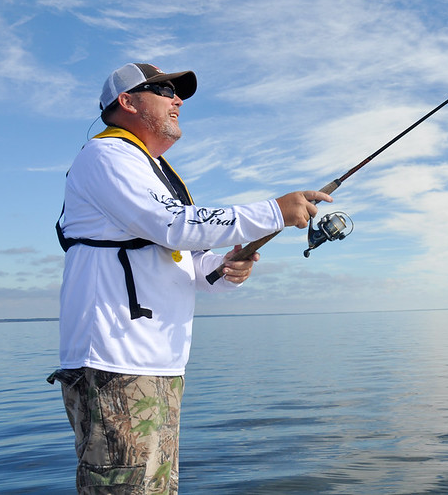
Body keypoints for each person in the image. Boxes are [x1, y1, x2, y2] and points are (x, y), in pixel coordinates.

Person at [47, 62, 332, 494]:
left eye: (176, 92)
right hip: (115, 362)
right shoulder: (106, 156)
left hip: (159, 364)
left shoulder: (154, 170)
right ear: (127, 101)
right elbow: (174, 225)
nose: (177, 99)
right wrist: (273, 212)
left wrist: (222, 269)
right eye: (163, 90)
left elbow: (184, 256)